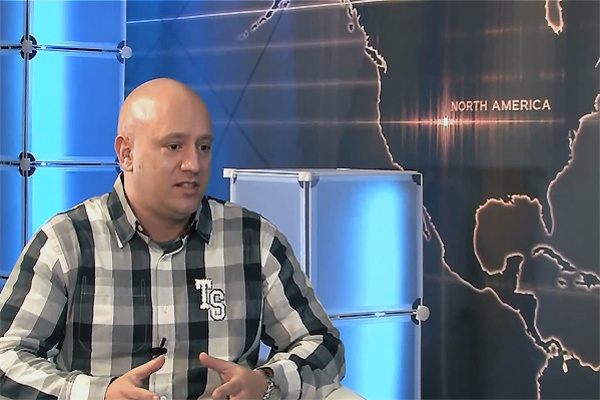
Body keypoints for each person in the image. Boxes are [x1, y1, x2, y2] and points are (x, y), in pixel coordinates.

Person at [0, 78, 345, 400]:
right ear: (126, 154)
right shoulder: (67, 242)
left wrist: (267, 381)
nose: (193, 163)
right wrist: (97, 394)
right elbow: (6, 356)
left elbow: (323, 345)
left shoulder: (253, 241)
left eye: (204, 147)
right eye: (174, 146)